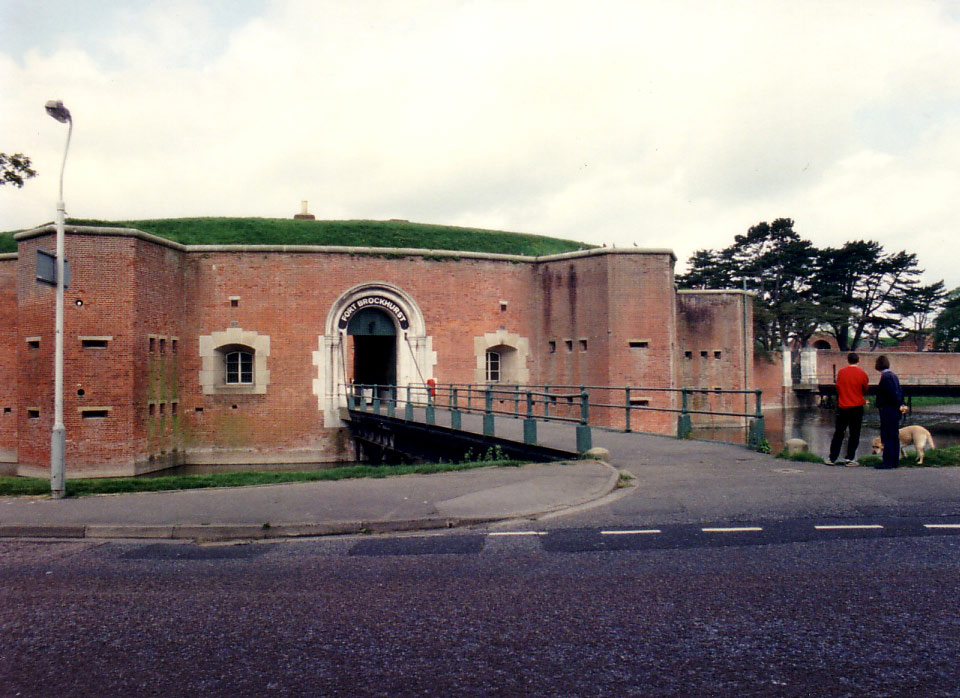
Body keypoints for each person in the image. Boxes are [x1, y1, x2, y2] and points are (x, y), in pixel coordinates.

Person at [827, 352, 869, 465]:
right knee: (854, 433)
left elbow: (838, 388)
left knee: (839, 432)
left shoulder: (841, 372)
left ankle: (832, 458)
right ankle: (850, 458)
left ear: (848, 360)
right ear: (858, 361)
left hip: (843, 406)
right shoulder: (862, 373)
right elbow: (865, 389)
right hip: (857, 406)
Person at [874, 354, 908, 469]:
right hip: (894, 410)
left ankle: (887, 462)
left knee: (887, 436)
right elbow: (899, 392)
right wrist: (902, 404)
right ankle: (894, 461)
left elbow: (891, 394)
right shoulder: (893, 376)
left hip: (888, 410)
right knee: (894, 436)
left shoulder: (886, 377)